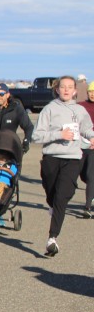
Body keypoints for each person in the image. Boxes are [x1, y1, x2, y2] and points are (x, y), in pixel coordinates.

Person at [31, 76, 94, 256]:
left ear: (75, 91)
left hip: (73, 157)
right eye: (63, 87)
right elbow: (36, 136)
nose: (66, 90)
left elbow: (86, 128)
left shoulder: (80, 110)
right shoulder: (49, 109)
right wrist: (59, 134)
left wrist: (91, 137)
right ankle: (52, 204)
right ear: (57, 89)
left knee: (62, 196)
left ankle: (52, 238)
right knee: (52, 193)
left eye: (70, 87)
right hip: (51, 157)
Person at [79, 82, 94, 217]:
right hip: (81, 144)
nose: (92, 94)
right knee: (83, 175)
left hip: (93, 146)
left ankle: (87, 207)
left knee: (90, 175)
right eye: (90, 91)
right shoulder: (81, 106)